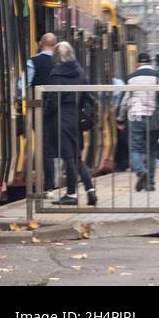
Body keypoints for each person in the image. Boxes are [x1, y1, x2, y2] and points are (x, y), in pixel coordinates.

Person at [49, 41, 96, 206]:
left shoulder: (56, 74)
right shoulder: (80, 72)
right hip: (75, 117)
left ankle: (71, 193)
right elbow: (86, 97)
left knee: (69, 156)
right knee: (75, 156)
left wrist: (44, 114)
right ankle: (90, 190)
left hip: (61, 117)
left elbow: (54, 100)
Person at [126, 52, 159, 191]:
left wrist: (119, 118)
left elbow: (126, 98)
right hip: (153, 118)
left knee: (136, 147)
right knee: (152, 150)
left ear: (138, 63)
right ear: (150, 62)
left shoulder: (131, 78)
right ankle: (150, 183)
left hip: (135, 116)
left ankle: (140, 170)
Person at [30, 33, 58, 191]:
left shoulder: (33, 62)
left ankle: (49, 185)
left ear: (40, 44)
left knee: (45, 147)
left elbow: (23, 85)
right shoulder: (61, 63)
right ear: (55, 45)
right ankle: (69, 189)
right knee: (67, 149)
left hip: (40, 110)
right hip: (60, 111)